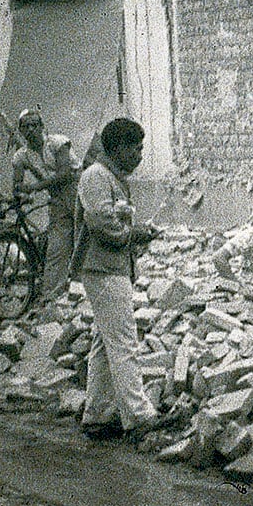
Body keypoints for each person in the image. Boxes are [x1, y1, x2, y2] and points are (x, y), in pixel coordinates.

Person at [72, 118, 172, 440]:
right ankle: (139, 415)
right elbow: (103, 223)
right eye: (136, 148)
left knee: (105, 342)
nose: (140, 155)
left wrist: (134, 232)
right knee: (124, 343)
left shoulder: (110, 177)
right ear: (118, 148)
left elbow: (114, 222)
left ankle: (97, 414)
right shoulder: (96, 177)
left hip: (112, 268)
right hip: (103, 270)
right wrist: (133, 234)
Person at [11, 109, 79, 296]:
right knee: (56, 246)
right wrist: (20, 194)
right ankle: (52, 294)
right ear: (21, 131)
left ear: (42, 127)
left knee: (86, 234)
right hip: (56, 197)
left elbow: (64, 174)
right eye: (26, 126)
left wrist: (34, 187)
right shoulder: (21, 156)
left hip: (77, 190)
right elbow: (17, 183)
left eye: (35, 125)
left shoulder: (57, 143)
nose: (31, 129)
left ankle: (85, 287)